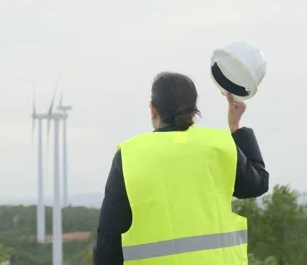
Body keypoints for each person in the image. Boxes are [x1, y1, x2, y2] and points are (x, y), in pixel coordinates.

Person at [93, 72, 269, 265]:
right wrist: (235, 127)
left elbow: (108, 241)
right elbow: (257, 184)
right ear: (193, 110)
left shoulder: (129, 155)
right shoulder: (219, 146)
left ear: (153, 109)